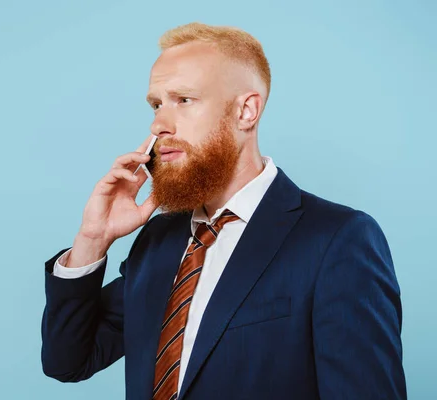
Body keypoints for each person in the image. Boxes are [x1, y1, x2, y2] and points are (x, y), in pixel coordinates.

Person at [40, 22, 407, 400]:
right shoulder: (158, 240)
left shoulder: (338, 239)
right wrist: (92, 240)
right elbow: (68, 361)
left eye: (183, 100)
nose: (158, 124)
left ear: (246, 110)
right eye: (156, 104)